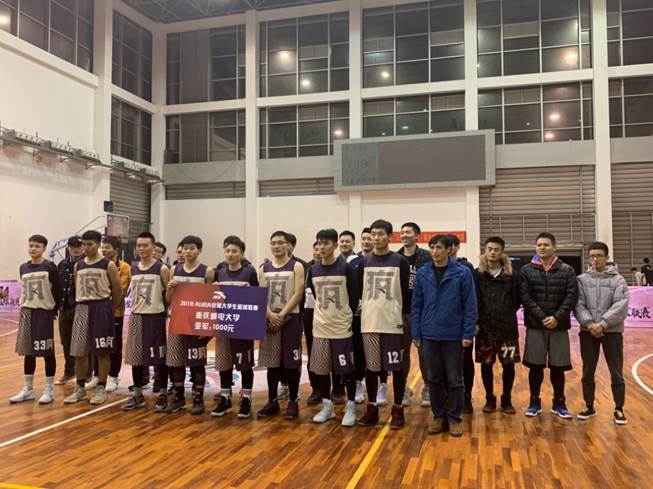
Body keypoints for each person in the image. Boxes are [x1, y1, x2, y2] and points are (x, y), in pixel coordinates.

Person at [412, 234, 477, 437]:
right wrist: (416, 332)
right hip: (429, 335)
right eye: (432, 247)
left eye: (439, 247)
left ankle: (455, 418)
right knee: (434, 379)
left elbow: (470, 305)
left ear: (449, 249)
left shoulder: (462, 273)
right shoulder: (422, 273)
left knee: (455, 379)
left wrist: (467, 333)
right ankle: (439, 416)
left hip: (453, 335)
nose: (434, 251)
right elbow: (416, 305)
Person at [357, 219, 410, 430]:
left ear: (389, 236)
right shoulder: (364, 262)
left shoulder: (400, 261)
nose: (376, 238)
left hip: (392, 323)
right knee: (371, 368)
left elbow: (405, 292)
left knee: (396, 369)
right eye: (373, 234)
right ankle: (371, 409)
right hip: (369, 322)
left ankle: (397, 409)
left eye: (380, 234)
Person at [519, 232, 578, 419]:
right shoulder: (527, 270)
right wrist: (542, 317)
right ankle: (534, 402)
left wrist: (557, 317)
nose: (542, 248)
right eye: (539, 245)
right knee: (535, 367)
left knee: (558, 367)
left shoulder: (567, 270)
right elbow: (525, 296)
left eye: (546, 245)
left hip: (558, 326)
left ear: (554, 247)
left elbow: (571, 296)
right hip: (536, 326)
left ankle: (559, 403)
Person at [307, 229, 358, 427]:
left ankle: (351, 406)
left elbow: (353, 297)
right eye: (319, 243)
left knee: (347, 370)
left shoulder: (346, 268)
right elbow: (315, 297)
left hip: (341, 327)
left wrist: (344, 317)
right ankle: (327, 406)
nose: (321, 247)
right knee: (321, 369)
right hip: (320, 327)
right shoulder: (313, 270)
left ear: (335, 245)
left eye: (326, 243)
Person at [64, 230, 121, 405]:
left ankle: (101, 388)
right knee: (79, 351)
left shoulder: (108, 265)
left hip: (101, 307)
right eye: (84, 244)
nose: (86, 247)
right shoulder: (78, 265)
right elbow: (77, 287)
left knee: (102, 352)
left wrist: (109, 308)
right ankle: (80, 388)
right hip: (82, 308)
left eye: (90, 244)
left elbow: (117, 289)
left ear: (98, 244)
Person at [575, 242, 629, 425]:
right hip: (588, 332)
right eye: (592, 256)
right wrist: (591, 325)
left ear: (607, 257)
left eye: (599, 255)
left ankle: (619, 408)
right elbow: (578, 305)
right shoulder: (581, 280)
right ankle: (589, 406)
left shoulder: (618, 280)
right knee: (588, 371)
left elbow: (621, 305)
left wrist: (603, 324)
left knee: (616, 371)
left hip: (612, 332)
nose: (595, 259)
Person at [257, 231, 305, 420]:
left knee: (291, 364)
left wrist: (282, 315)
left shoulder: (297, 266)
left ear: (288, 245)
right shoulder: (264, 268)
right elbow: (260, 294)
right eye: (273, 243)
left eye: (280, 243)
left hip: (290, 319)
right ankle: (272, 401)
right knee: (272, 364)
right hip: (270, 320)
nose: (276, 246)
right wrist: (270, 315)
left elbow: (298, 293)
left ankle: (293, 401)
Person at [164, 235, 214, 415]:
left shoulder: (207, 271)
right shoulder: (174, 269)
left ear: (199, 250)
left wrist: (207, 325)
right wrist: (170, 288)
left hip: (196, 322)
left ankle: (198, 399)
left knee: (196, 362)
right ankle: (179, 398)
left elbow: (210, 300)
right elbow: (168, 300)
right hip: (177, 320)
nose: (188, 251)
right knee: (175, 361)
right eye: (185, 248)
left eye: (192, 248)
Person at [10, 235, 63, 404]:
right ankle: (28, 389)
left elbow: (58, 291)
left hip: (44, 312)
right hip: (27, 312)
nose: (33, 249)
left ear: (44, 248)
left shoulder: (50, 267)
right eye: (31, 245)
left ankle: (49, 390)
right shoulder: (23, 267)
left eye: (37, 246)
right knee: (28, 352)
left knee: (47, 351)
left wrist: (53, 310)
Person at [212, 236, 259, 419]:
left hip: (243, 325)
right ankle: (225, 397)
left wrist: (250, 291)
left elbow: (257, 298)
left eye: (234, 251)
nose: (230, 254)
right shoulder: (220, 271)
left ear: (242, 253)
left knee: (245, 364)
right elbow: (214, 298)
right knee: (224, 363)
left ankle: (246, 398)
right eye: (227, 251)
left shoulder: (249, 272)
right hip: (224, 323)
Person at [122, 232, 170, 412]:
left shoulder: (161, 269)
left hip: (155, 316)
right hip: (136, 316)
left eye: (145, 245)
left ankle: (163, 394)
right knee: (136, 357)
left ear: (153, 247)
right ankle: (137, 394)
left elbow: (169, 296)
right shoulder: (133, 268)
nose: (141, 249)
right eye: (139, 246)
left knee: (159, 357)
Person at [475, 236, 521, 415]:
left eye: (496, 249)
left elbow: (517, 300)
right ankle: (489, 398)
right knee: (486, 365)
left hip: (507, 330)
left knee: (508, 365)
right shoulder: (477, 275)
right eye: (489, 249)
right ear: (485, 251)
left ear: (502, 252)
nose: (492, 252)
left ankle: (507, 399)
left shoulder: (512, 276)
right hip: (484, 329)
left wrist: (504, 313)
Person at [397, 222, 432, 407]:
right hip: (400, 313)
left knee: (425, 353)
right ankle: (402, 389)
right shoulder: (395, 257)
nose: (404, 235)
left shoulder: (427, 257)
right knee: (401, 353)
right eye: (402, 232)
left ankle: (428, 388)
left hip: (422, 314)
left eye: (408, 232)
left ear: (417, 236)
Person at [92, 236, 131, 393]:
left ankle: (113, 376)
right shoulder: (97, 264)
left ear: (116, 250)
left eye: (107, 247)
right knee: (97, 343)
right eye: (103, 247)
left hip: (115, 312)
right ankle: (97, 375)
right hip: (97, 311)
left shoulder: (124, 267)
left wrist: (108, 307)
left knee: (114, 345)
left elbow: (120, 290)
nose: (104, 250)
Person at [447, 233, 476, 414]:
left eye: (451, 245)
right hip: (443, 326)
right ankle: (448, 397)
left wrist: (473, 323)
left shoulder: (466, 268)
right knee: (445, 364)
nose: (448, 249)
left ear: (457, 247)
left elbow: (473, 297)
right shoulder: (433, 268)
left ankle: (467, 395)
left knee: (465, 362)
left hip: (463, 324)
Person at [348, 227, 374, 404]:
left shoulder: (380, 260)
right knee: (357, 349)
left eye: (369, 238)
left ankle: (379, 384)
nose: (366, 241)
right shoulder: (353, 260)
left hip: (375, 312)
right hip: (357, 313)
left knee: (373, 350)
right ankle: (359, 381)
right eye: (363, 238)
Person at [55, 236, 83, 385]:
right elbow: (56, 286)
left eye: (78, 246)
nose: (75, 249)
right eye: (72, 246)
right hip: (64, 308)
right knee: (65, 341)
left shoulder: (86, 263)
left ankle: (86, 373)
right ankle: (69, 371)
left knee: (82, 341)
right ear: (68, 248)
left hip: (80, 307)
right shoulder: (62, 264)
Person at [304, 241, 323, 405]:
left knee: (332, 353)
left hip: (330, 315)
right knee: (313, 352)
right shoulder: (306, 268)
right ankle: (316, 388)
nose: (318, 251)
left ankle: (337, 388)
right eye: (315, 248)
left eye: (321, 248)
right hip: (310, 315)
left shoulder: (339, 268)